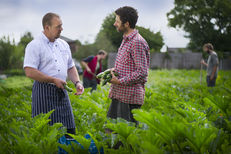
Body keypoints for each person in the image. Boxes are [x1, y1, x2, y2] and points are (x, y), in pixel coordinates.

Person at [23, 12, 84, 137]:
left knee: (69, 131)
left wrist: (77, 82)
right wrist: (53, 79)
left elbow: (71, 67)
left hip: (62, 92)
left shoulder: (64, 44)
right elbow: (29, 71)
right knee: (48, 134)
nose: (61, 29)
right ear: (47, 27)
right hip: (43, 93)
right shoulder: (34, 45)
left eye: (61, 26)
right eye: (58, 26)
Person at [107, 6, 150, 125]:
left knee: (125, 139)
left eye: (117, 21)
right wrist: (115, 70)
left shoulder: (137, 42)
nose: (115, 24)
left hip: (129, 98)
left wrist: (120, 81)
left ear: (126, 24)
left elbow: (142, 72)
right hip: (119, 95)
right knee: (112, 134)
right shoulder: (126, 40)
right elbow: (129, 66)